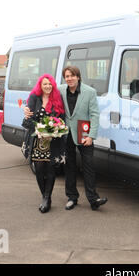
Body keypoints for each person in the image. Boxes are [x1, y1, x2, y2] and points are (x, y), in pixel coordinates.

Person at [25, 66, 107, 211]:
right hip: (65, 134)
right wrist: (26, 109)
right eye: (67, 76)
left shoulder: (90, 92)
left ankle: (93, 199)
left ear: (78, 77)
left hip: (84, 134)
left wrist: (91, 135)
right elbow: (39, 95)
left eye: (72, 76)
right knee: (69, 167)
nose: (69, 78)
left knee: (88, 166)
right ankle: (72, 197)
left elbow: (94, 114)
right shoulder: (60, 90)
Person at [23, 74, 66, 213]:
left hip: (52, 141)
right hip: (37, 141)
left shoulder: (57, 99)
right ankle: (44, 195)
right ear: (40, 86)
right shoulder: (34, 98)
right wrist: (38, 128)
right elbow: (27, 121)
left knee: (51, 170)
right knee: (39, 170)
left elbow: (61, 119)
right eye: (45, 84)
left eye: (49, 84)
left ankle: (47, 198)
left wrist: (54, 129)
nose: (48, 86)